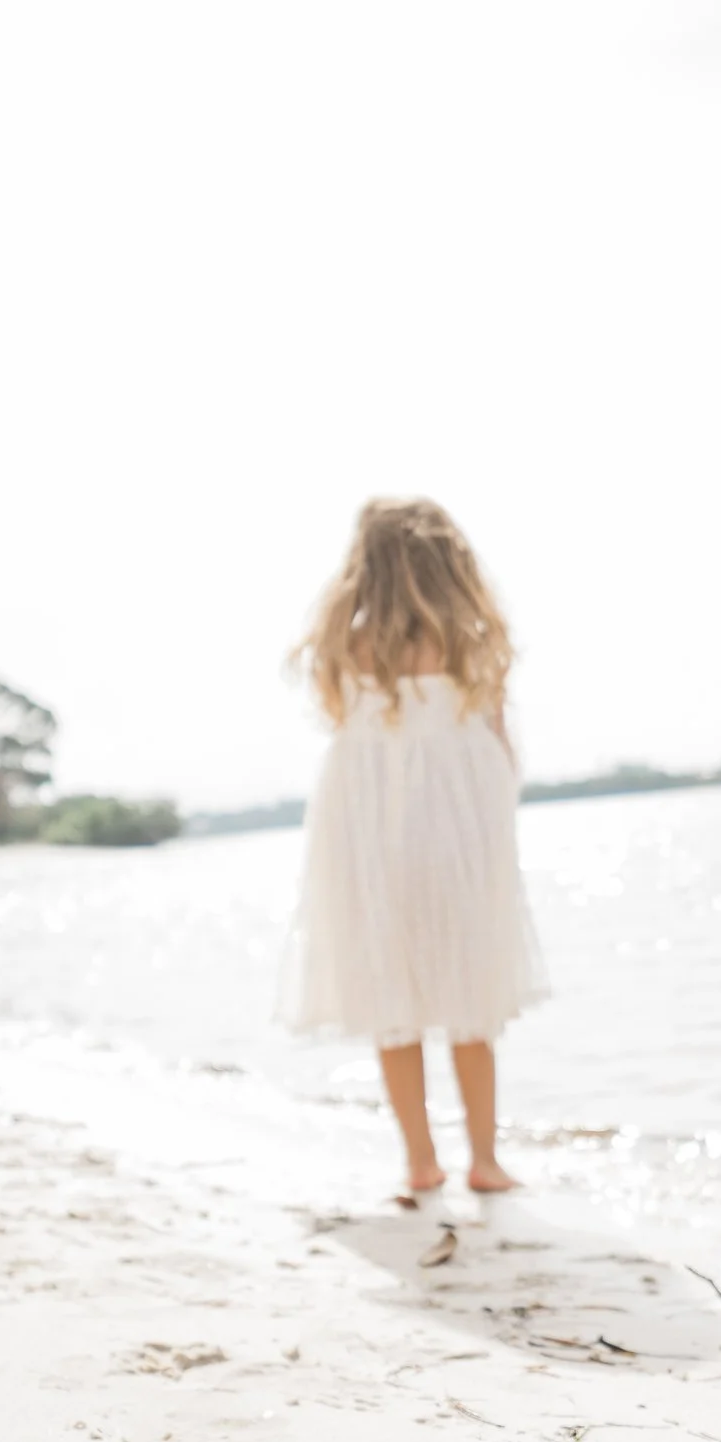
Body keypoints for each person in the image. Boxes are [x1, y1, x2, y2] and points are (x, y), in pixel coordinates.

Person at [281, 496, 547, 1196]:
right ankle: (485, 1161)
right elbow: (498, 745)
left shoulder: (345, 644)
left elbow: (340, 721)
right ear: (446, 558)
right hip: (460, 830)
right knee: (470, 994)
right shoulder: (471, 635)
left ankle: (420, 1160)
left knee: (389, 990)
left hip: (368, 832)